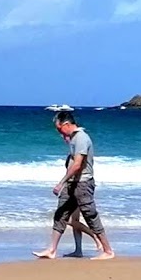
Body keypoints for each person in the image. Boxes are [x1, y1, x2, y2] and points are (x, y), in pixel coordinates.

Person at [35, 110, 114, 260]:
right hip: (72, 184)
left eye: (59, 129)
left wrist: (61, 182)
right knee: (61, 215)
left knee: (90, 216)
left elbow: (78, 164)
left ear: (66, 124)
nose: (59, 133)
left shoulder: (81, 138)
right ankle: (52, 250)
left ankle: (108, 250)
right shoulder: (73, 139)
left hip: (82, 183)